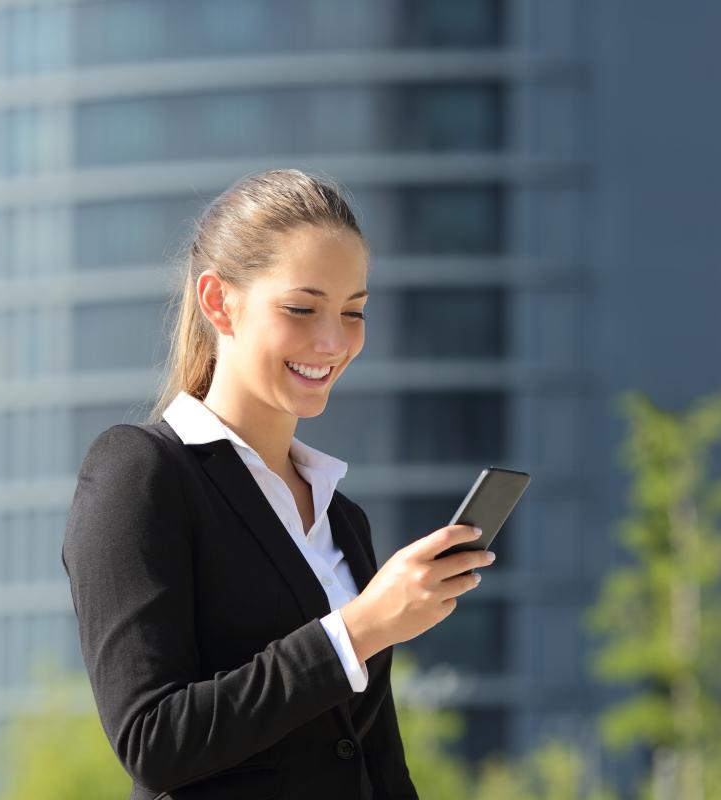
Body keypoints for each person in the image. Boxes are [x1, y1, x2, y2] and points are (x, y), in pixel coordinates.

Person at [61, 169, 495, 799]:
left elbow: (378, 761)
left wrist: (365, 630)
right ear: (218, 302)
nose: (331, 340)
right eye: (301, 308)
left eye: (354, 312)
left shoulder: (342, 517)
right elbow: (152, 739)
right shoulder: (140, 472)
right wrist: (359, 629)